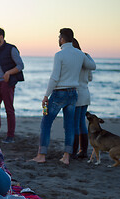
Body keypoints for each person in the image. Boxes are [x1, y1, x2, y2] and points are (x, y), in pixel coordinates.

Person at [31, 28, 96, 165]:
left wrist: (45, 96)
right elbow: (92, 66)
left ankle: (41, 155)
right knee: (70, 127)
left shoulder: (59, 55)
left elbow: (54, 77)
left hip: (59, 93)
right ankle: (66, 157)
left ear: (62, 38)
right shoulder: (80, 54)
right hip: (73, 93)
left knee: (46, 123)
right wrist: (87, 56)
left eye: (59, 37)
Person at [0, 27, 24, 143]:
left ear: (1, 36)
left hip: (7, 83)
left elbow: (20, 66)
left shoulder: (11, 49)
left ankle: (10, 136)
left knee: (9, 109)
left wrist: (8, 72)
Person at [72, 38, 94, 159]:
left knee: (75, 123)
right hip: (85, 93)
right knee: (81, 123)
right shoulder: (86, 57)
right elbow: (90, 78)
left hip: (76, 94)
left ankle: (74, 151)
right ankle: (83, 150)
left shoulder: (74, 58)